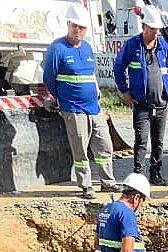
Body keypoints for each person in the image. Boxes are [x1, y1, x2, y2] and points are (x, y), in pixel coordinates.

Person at [43, 4, 117, 200]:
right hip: (73, 107)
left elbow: (90, 75)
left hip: (93, 106)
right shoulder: (57, 49)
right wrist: (59, 98)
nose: (78, 30)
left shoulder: (87, 48)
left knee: (104, 146)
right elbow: (49, 77)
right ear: (68, 24)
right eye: (75, 26)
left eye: (82, 27)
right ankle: (85, 186)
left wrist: (97, 92)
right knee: (80, 149)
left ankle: (107, 182)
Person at [113, 5, 168, 186]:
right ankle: (138, 175)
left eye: (158, 30)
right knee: (141, 141)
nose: (156, 33)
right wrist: (124, 91)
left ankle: (155, 172)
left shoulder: (164, 47)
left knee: (158, 142)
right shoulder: (132, 46)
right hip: (141, 104)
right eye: (152, 29)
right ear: (144, 27)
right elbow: (118, 67)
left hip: (161, 104)